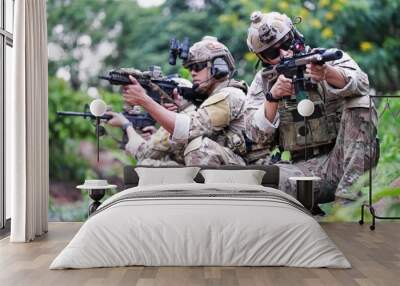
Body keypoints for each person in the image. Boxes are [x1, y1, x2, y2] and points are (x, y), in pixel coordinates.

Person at [244, 11, 379, 203]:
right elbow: (255, 137)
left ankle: (349, 202)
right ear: (263, 58)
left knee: (362, 103)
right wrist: (273, 97)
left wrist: (328, 73)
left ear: (295, 35)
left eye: (286, 43)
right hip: (301, 169)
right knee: (257, 182)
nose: (283, 53)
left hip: (343, 161)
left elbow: (362, 84)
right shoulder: (264, 81)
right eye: (272, 53)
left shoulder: (324, 58)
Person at [121, 36, 248, 166]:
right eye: (190, 68)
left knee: (200, 148)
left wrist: (144, 100)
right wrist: (179, 111)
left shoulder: (229, 95)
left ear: (218, 66)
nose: (192, 73)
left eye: (197, 66)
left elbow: (188, 130)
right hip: (232, 164)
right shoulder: (211, 98)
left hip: (246, 167)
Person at [106, 77, 196, 166]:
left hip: (186, 175)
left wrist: (126, 125)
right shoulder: (194, 112)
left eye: (166, 94)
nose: (162, 100)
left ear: (178, 95)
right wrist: (156, 135)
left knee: (145, 164)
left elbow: (143, 153)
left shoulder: (182, 117)